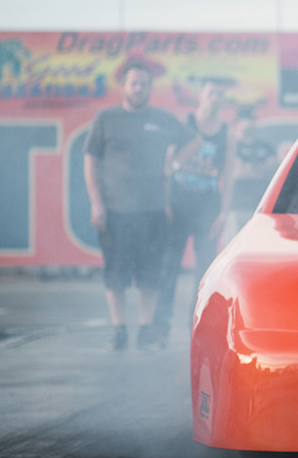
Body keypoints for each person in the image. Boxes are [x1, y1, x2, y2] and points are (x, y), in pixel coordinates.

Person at [84, 60, 196, 351]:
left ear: (149, 87)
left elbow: (193, 142)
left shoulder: (162, 119)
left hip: (152, 210)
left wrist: (173, 164)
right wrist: (96, 202)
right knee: (116, 273)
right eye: (133, 83)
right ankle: (119, 329)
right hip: (115, 210)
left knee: (150, 275)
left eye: (143, 84)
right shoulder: (106, 119)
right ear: (124, 86)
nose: (138, 88)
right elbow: (90, 160)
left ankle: (146, 328)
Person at [154, 77, 232, 343]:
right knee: (169, 268)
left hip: (208, 207)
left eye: (220, 94)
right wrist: (165, 203)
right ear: (202, 96)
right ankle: (159, 328)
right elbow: (168, 164)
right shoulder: (185, 123)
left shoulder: (225, 132)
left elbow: (229, 175)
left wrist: (222, 214)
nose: (215, 97)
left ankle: (198, 330)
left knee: (204, 272)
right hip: (179, 204)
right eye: (211, 92)